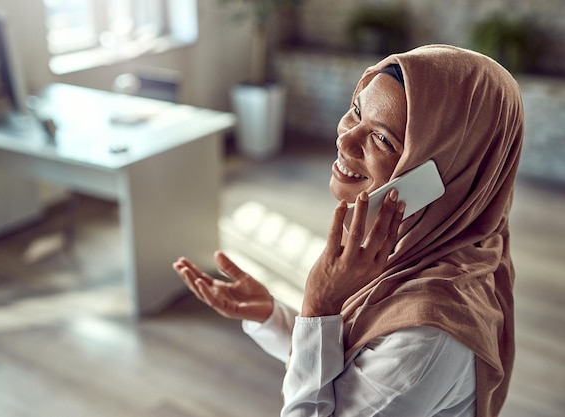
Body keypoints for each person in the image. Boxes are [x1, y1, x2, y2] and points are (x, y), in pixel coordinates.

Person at [173, 44, 523, 417]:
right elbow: (349, 371)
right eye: (357, 110)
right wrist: (271, 316)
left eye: (383, 139)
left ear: (446, 176)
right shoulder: (424, 248)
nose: (345, 139)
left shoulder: (427, 336)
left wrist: (319, 304)